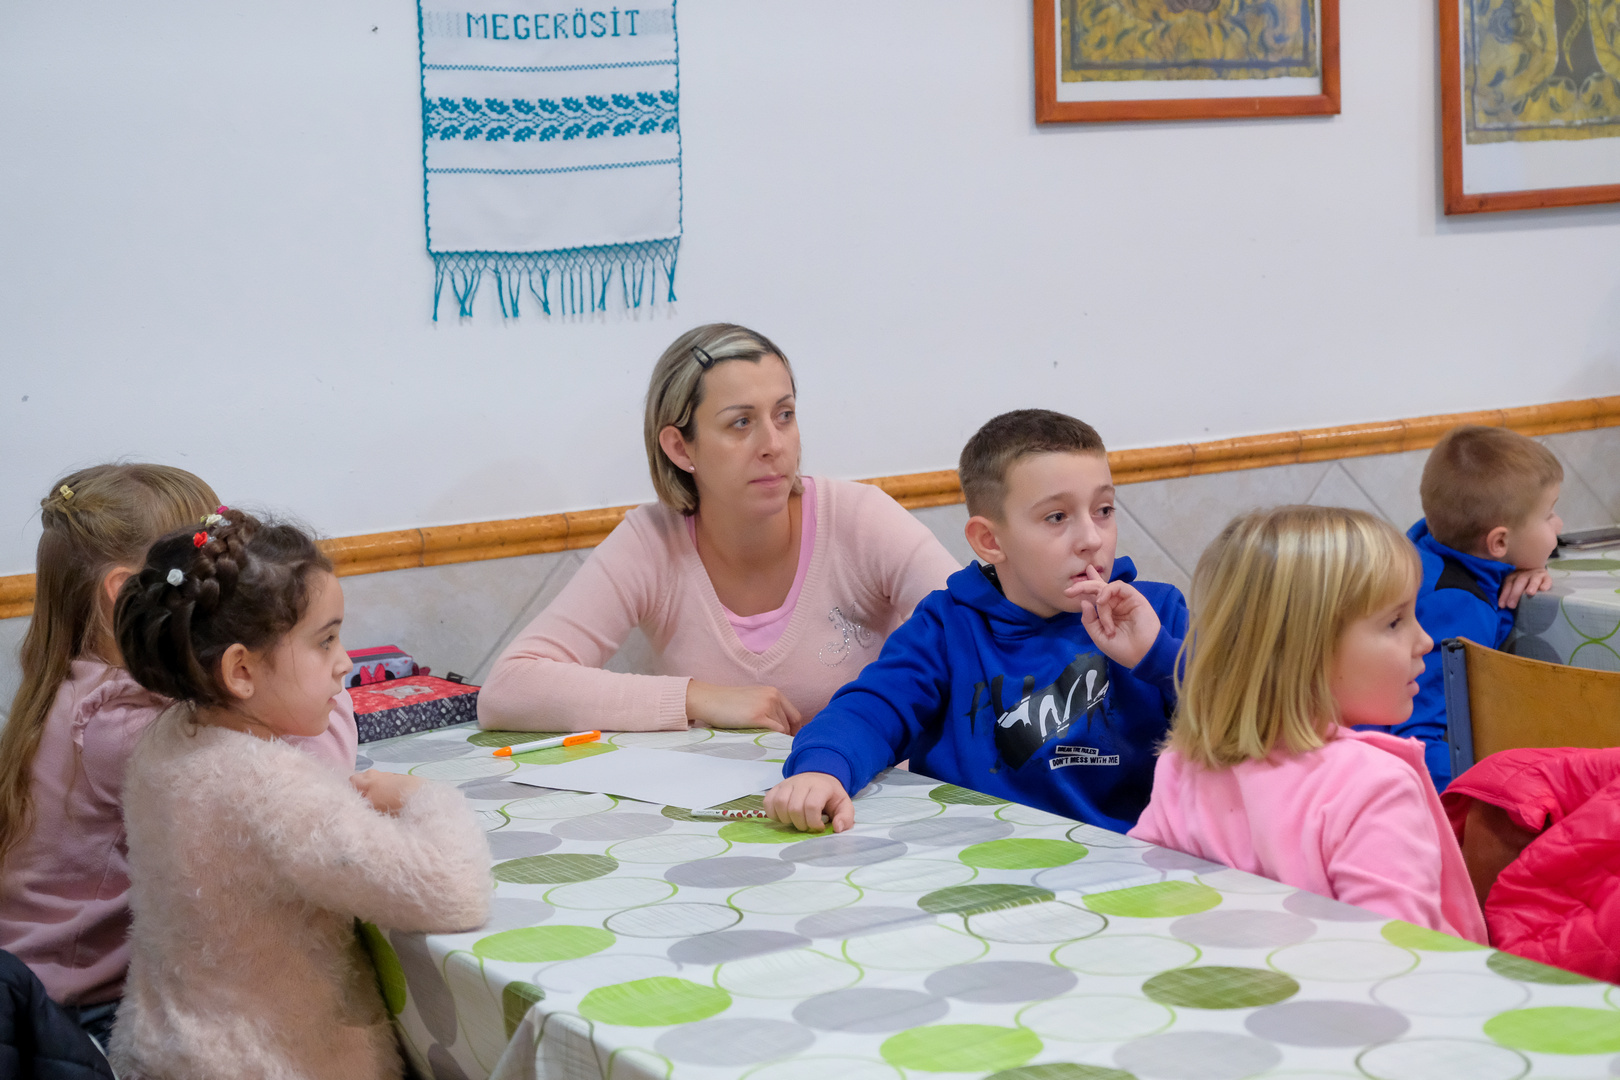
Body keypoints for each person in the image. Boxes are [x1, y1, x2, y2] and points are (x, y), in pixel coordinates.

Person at [109, 510, 489, 1080]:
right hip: (277, 1064)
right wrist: (422, 796)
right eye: (325, 640)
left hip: (169, 1053)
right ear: (241, 671)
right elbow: (455, 891)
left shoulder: (165, 741)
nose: (345, 663)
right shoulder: (270, 789)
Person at [0, 466, 357, 1049]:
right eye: (205, 566)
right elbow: (311, 779)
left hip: (62, 990)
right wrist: (322, 682)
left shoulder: (87, 686)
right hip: (79, 1016)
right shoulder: (123, 721)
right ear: (123, 589)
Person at [478, 324, 960, 734]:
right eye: (741, 423)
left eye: (784, 415)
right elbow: (509, 688)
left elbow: (982, 633)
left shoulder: (860, 518)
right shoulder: (651, 541)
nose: (773, 444)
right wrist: (697, 698)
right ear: (680, 448)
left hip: (876, 799)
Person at [765, 409, 1188, 834]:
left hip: (1124, 858)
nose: (1092, 539)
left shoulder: (1158, 614)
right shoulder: (946, 628)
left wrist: (1157, 655)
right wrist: (822, 769)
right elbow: (873, 709)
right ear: (990, 541)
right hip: (973, 854)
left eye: (1103, 510)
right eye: (1057, 517)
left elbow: (1227, 722)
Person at [1129, 505, 1487, 942]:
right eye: (1395, 622)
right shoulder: (1375, 788)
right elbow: (1397, 953)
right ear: (1302, 653)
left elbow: (1144, 900)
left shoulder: (1181, 765)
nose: (1425, 640)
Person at [1396, 425, 1564, 790]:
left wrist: (1516, 568)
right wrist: (1482, 801)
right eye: (1549, 515)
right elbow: (1419, 735)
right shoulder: (1454, 606)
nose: (1559, 524)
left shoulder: (1426, 552)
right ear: (1499, 542)